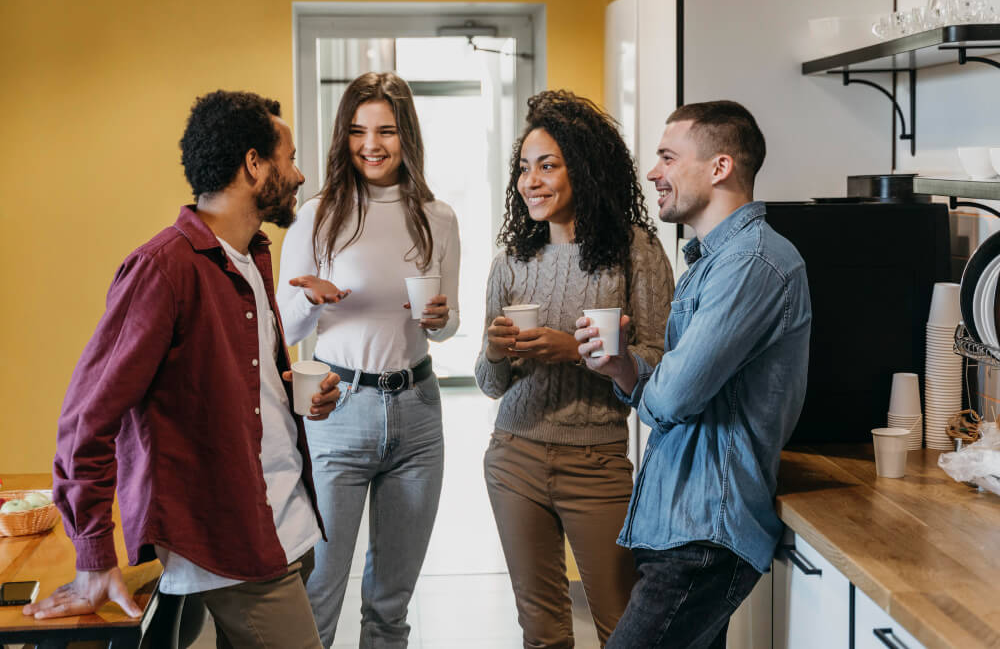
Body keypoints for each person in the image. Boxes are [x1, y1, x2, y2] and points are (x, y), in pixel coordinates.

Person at [25, 90, 344, 649]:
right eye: (288, 157)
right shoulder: (164, 268)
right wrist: (94, 554)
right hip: (234, 542)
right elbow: (85, 417)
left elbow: (226, 386)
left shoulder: (250, 256)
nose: (298, 174)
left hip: (284, 519)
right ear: (253, 164)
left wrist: (292, 393)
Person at [575, 100, 812, 649]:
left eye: (666, 157)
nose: (654, 173)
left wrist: (647, 382)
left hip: (706, 533)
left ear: (720, 167)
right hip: (685, 524)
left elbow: (676, 398)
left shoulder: (753, 263)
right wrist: (624, 365)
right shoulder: (713, 260)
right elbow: (685, 387)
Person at [475, 89, 674, 648]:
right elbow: (491, 385)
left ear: (583, 170)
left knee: (624, 630)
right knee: (541, 631)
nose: (530, 181)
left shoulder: (636, 251)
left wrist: (576, 352)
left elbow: (661, 366)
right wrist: (494, 352)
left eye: (547, 166)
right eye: (523, 168)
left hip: (597, 461)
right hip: (514, 456)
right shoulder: (512, 262)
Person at [277, 71, 460, 648]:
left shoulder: (439, 216)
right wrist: (309, 296)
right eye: (358, 131)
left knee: (391, 603)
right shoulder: (317, 214)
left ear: (407, 135)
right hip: (338, 413)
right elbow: (283, 325)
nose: (371, 145)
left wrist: (439, 320)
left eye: (386, 131)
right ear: (343, 137)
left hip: (418, 414)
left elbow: (449, 321)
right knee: (320, 595)